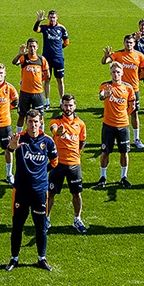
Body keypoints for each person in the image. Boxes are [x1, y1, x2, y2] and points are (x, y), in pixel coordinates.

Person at [6, 110, 56, 272]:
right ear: (25, 122)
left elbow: (55, 161)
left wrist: (41, 172)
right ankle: (14, 258)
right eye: (30, 121)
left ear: (41, 122)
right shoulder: (19, 138)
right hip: (21, 190)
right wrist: (11, 147)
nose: (33, 125)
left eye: (36, 121)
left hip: (40, 191)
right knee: (17, 226)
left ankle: (42, 258)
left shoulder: (47, 141)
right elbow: (10, 149)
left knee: (40, 227)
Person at [48, 94, 88, 233]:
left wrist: (76, 153)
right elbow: (53, 129)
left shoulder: (80, 123)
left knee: (76, 194)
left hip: (74, 165)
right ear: (61, 106)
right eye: (65, 105)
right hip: (58, 164)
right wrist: (57, 132)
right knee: (51, 193)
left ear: (75, 106)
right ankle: (46, 219)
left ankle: (77, 219)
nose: (68, 108)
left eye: (70, 105)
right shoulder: (56, 121)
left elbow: (82, 141)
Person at [102, 34, 144, 148]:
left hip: (133, 89)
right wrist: (106, 56)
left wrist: (136, 80)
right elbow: (105, 61)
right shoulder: (118, 54)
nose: (129, 44)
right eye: (127, 42)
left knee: (134, 113)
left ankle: (136, 138)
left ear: (134, 43)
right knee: (115, 111)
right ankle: (114, 136)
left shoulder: (139, 56)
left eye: (131, 42)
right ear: (124, 43)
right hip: (118, 88)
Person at [97, 62, 137, 188]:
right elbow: (101, 96)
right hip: (108, 125)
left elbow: (132, 106)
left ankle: (123, 176)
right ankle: (103, 176)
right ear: (110, 73)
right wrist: (105, 95)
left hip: (123, 126)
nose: (116, 74)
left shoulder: (128, 88)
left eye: (118, 72)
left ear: (122, 73)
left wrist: (124, 116)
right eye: (113, 72)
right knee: (105, 152)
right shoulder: (105, 86)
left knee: (124, 152)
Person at [12, 38, 50, 130]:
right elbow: (14, 62)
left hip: (38, 93)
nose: (32, 48)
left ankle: (40, 135)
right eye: (30, 46)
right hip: (25, 92)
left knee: (39, 116)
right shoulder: (23, 58)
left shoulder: (41, 59)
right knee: (21, 115)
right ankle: (19, 134)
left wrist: (38, 81)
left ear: (37, 47)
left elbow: (47, 74)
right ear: (27, 48)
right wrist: (20, 54)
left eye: (34, 46)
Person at [33, 9, 69, 98]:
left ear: (57, 18)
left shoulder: (61, 28)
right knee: (47, 79)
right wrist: (38, 21)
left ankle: (61, 100)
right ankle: (47, 100)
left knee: (60, 79)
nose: (52, 19)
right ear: (48, 18)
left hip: (58, 58)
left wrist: (59, 49)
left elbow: (66, 42)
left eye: (54, 17)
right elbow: (36, 30)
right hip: (47, 58)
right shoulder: (45, 27)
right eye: (50, 18)